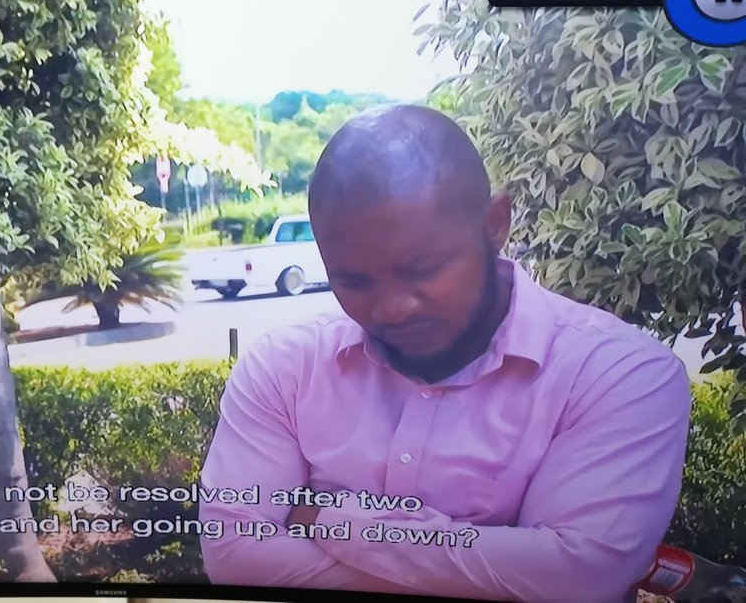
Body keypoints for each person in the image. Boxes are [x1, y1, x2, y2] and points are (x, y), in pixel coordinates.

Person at [199, 105, 691, 602]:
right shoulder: (285, 368)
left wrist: (329, 519)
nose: (390, 308)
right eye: (353, 281)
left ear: (496, 224)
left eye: (423, 269)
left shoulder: (619, 375)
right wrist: (501, 564)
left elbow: (575, 579)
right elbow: (235, 557)